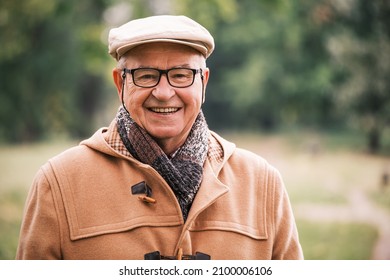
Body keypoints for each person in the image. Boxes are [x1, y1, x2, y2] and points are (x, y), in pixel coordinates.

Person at [16, 15, 303, 260]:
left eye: (180, 75)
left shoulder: (262, 184)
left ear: (203, 82)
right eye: (146, 75)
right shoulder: (59, 183)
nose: (164, 92)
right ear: (120, 83)